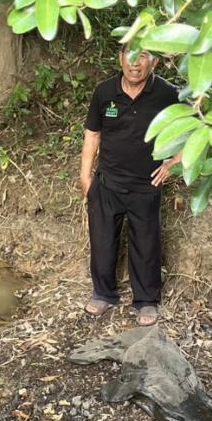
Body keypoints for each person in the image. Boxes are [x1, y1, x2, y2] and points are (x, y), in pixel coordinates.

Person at [80, 47, 179, 327]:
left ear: (155, 62)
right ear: (120, 57)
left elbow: (192, 130)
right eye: (130, 55)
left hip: (146, 184)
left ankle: (146, 300)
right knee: (102, 240)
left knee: (146, 244)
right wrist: (85, 177)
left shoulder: (168, 94)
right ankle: (103, 293)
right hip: (107, 181)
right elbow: (93, 134)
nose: (135, 63)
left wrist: (173, 164)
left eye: (144, 56)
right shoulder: (104, 92)